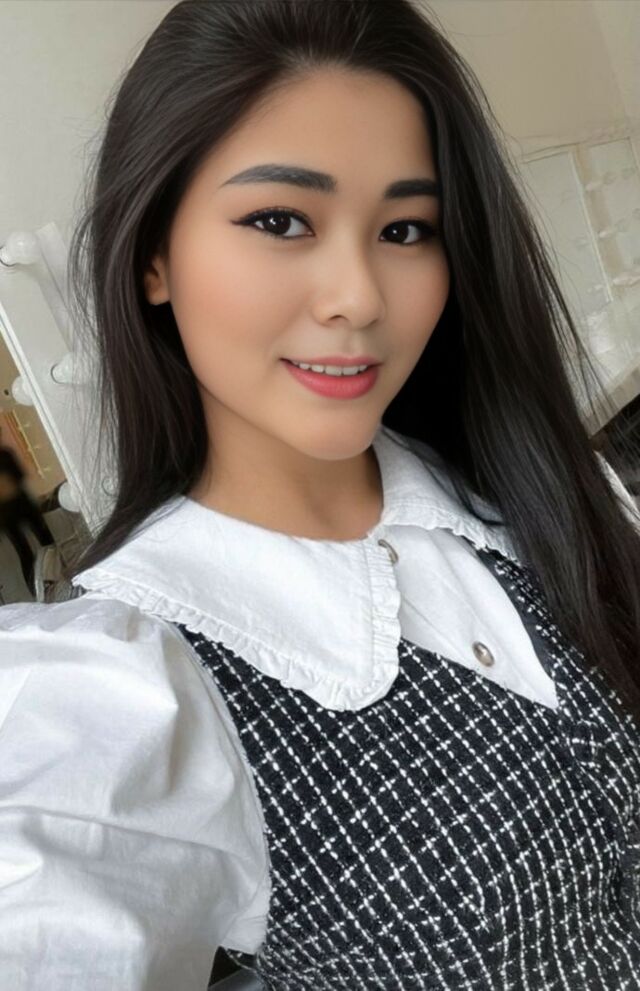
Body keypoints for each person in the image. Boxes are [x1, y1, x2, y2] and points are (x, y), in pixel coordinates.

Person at [1, 1, 640, 988]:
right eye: (280, 221)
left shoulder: (531, 486)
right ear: (153, 255)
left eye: (405, 229)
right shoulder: (127, 689)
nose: (360, 296)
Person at [0, 434, 54, 596]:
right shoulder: (5, 454)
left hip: (13, 508)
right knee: (38, 545)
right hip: (14, 509)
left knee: (33, 548)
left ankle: (41, 587)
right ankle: (42, 586)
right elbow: (19, 478)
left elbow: (19, 478)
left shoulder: (6, 454)